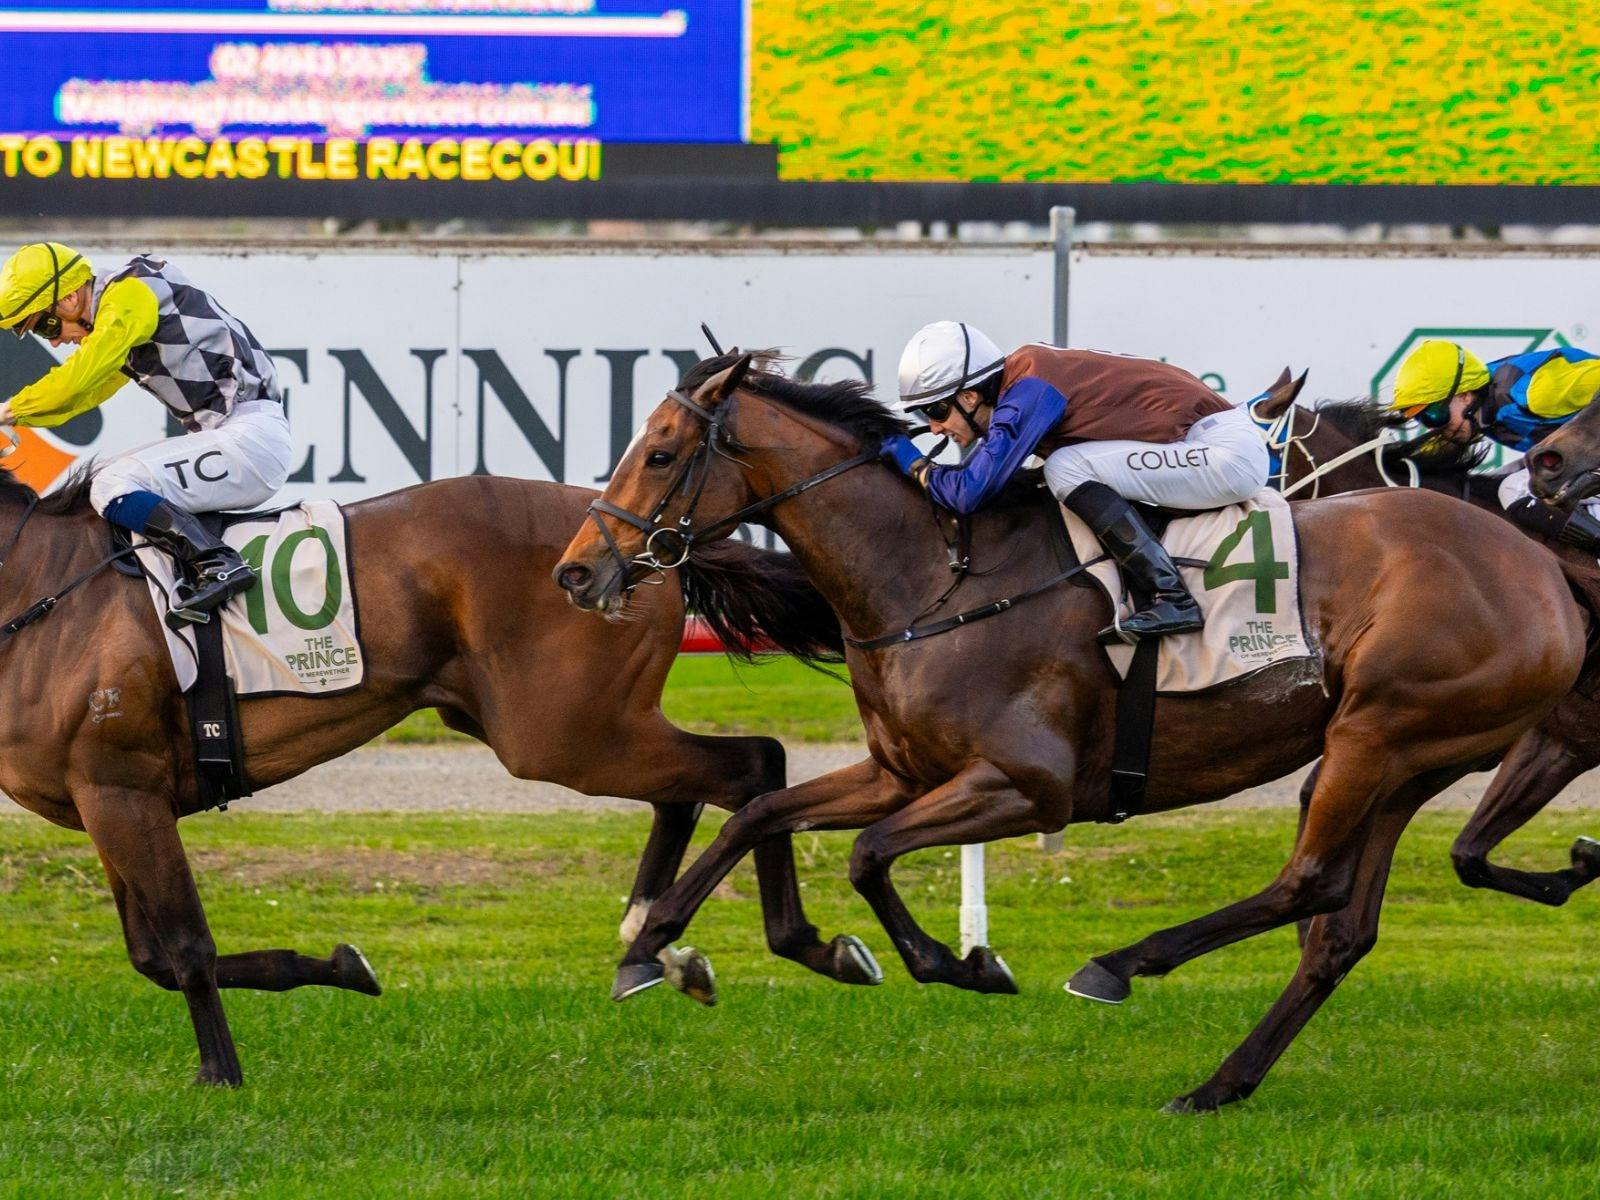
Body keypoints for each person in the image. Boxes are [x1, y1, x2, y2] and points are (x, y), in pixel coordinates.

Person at [881, 322, 1269, 643]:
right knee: (1051, 474)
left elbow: (970, 493)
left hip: (1223, 452)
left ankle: (1172, 596)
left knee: (1065, 467)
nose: (933, 428)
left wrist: (912, 463)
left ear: (969, 396)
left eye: (936, 411)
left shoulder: (1028, 389)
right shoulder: (1025, 377)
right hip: (1207, 445)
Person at [0, 242, 292, 623]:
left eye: (45, 325)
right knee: (99, 489)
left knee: (111, 484)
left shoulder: (130, 294)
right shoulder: (124, 316)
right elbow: (83, 396)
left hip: (249, 440)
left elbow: (78, 378)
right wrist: (16, 417)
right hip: (235, 435)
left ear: (71, 297)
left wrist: (9, 409)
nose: (54, 341)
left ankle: (218, 563)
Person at [1389, 339, 1600, 550]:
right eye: (1422, 420)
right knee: (1485, 487)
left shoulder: (1537, 392)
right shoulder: (1482, 411)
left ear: (1465, 396)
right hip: (1587, 460)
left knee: (1513, 489)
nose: (1434, 428)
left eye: (1434, 414)